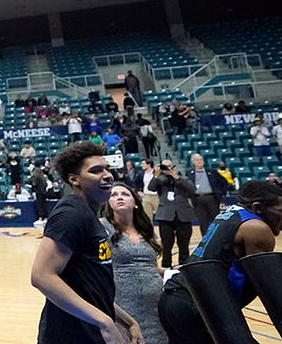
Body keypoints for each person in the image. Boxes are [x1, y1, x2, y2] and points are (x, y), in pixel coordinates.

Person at [30, 141, 143, 344]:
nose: (107, 175)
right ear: (74, 179)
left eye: (107, 169)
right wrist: (105, 323)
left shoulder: (88, 214)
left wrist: (128, 322)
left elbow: (90, 288)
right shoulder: (72, 213)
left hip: (89, 332)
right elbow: (41, 276)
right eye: (96, 171)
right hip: (69, 335)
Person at [157, 180, 282, 343]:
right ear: (257, 208)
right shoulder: (256, 228)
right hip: (197, 307)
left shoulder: (233, 213)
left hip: (173, 299)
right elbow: (269, 286)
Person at [103, 183, 167, 344]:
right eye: (113, 195)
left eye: (125, 194)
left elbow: (152, 267)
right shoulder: (102, 227)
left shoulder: (147, 231)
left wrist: (170, 272)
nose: (119, 197)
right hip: (122, 307)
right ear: (108, 203)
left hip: (155, 308)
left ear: (136, 203)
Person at [148, 159, 195, 268]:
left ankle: (184, 266)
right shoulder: (160, 180)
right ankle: (166, 267)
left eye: (169, 166)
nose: (167, 169)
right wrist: (156, 174)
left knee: (184, 244)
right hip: (165, 216)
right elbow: (151, 188)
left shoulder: (183, 179)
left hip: (183, 215)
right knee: (166, 244)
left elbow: (192, 189)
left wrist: (176, 177)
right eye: (165, 167)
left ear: (174, 167)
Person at [186, 153, 227, 237]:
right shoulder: (189, 173)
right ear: (193, 162)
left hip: (211, 198)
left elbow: (224, 182)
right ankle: (205, 240)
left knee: (215, 220)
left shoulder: (211, 171)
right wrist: (189, 198)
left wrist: (221, 194)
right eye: (197, 160)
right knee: (203, 222)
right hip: (197, 200)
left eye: (201, 159)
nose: (200, 161)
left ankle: (217, 238)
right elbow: (186, 186)